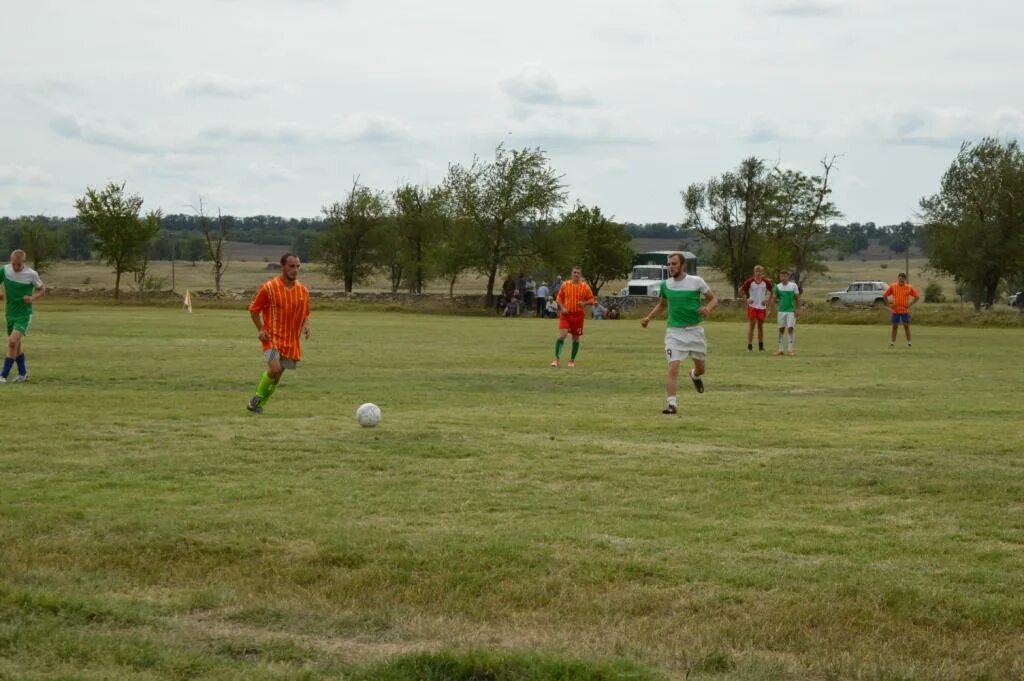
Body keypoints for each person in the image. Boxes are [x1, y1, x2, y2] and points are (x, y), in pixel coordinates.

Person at [641, 252, 718, 414]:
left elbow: (713, 299)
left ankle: (694, 375)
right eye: (669, 264)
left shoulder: (696, 281)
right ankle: (671, 404)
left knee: (701, 369)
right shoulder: (666, 285)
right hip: (674, 333)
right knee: (673, 368)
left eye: (674, 264)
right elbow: (662, 305)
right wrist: (648, 318)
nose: (671, 267)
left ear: (683, 265)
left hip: (695, 331)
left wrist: (708, 308)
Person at [246, 253, 311, 414]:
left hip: (291, 341)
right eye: (291, 266)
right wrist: (261, 328)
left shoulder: (303, 291)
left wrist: (306, 325)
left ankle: (259, 405)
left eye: (297, 266)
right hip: (271, 338)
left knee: (278, 376)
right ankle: (257, 398)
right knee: (274, 370)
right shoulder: (269, 288)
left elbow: (306, 312)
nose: (295, 270)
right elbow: (254, 310)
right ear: (283, 266)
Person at [0, 249, 45, 384]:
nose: (15, 267)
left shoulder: (31, 274)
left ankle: (3, 375)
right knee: (16, 346)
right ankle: (23, 373)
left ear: (23, 263)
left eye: (18, 265)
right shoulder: (5, 270)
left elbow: (42, 289)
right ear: (11, 261)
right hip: (10, 313)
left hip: (24, 314)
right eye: (13, 264)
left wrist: (32, 298)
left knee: (13, 342)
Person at [550, 266, 595, 368]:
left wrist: (584, 303)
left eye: (578, 273)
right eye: (574, 272)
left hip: (578, 315)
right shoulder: (565, 285)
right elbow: (558, 298)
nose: (576, 274)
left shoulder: (585, 287)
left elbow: (592, 300)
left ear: (581, 275)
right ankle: (556, 359)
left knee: (575, 338)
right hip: (566, 314)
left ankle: (572, 360)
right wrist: (562, 308)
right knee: (562, 335)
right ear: (571, 274)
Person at [739, 265, 772, 352]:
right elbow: (741, 291)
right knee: (752, 326)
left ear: (762, 273)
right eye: (756, 271)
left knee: (760, 327)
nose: (758, 273)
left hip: (762, 307)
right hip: (752, 307)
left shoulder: (766, 282)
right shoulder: (750, 281)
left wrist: (767, 299)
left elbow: (772, 291)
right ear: (754, 272)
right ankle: (749, 347)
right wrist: (746, 301)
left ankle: (761, 347)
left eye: (760, 272)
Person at [884, 272, 920, 347]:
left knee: (906, 326)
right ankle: (892, 343)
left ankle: (909, 342)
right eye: (900, 279)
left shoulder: (909, 287)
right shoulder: (893, 286)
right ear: (898, 279)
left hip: (905, 311)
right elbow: (885, 295)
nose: (901, 281)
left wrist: (910, 304)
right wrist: (889, 305)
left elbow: (917, 297)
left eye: (902, 279)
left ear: (905, 279)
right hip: (895, 311)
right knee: (894, 326)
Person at [772, 270, 800, 356]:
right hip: (781, 311)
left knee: (790, 328)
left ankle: (790, 350)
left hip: (791, 311)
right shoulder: (777, 287)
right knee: (781, 329)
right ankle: (780, 350)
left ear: (788, 277)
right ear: (780, 277)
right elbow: (773, 298)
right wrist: (770, 309)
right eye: (781, 276)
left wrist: (798, 309)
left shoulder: (793, 286)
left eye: (785, 276)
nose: (783, 278)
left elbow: (798, 298)